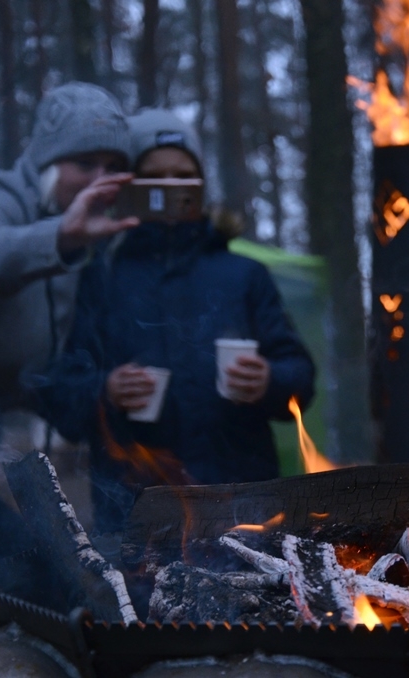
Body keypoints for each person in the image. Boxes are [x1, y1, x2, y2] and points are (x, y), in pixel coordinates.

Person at [0, 82, 136, 619]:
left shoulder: (74, 241)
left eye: (112, 166)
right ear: (47, 162)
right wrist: (60, 235)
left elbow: (37, 352)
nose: (100, 179)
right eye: (85, 162)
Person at [39, 109, 316, 534]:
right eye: (155, 175)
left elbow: (301, 376)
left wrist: (270, 381)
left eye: (183, 174)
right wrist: (106, 389)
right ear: (130, 186)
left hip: (242, 506)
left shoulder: (243, 275)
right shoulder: (102, 276)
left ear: (201, 185)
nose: (171, 186)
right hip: (136, 511)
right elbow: (62, 397)